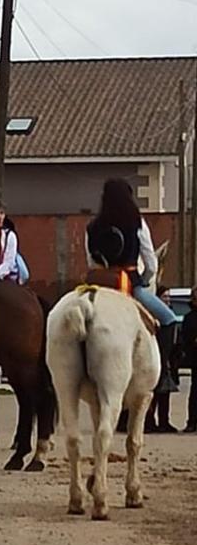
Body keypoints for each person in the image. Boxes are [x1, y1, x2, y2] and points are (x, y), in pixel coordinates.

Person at [86, 178, 181, 432]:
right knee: (170, 319)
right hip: (131, 284)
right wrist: (145, 282)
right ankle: (160, 375)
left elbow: (91, 261)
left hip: (100, 285)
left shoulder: (93, 226)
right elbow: (150, 262)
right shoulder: (137, 223)